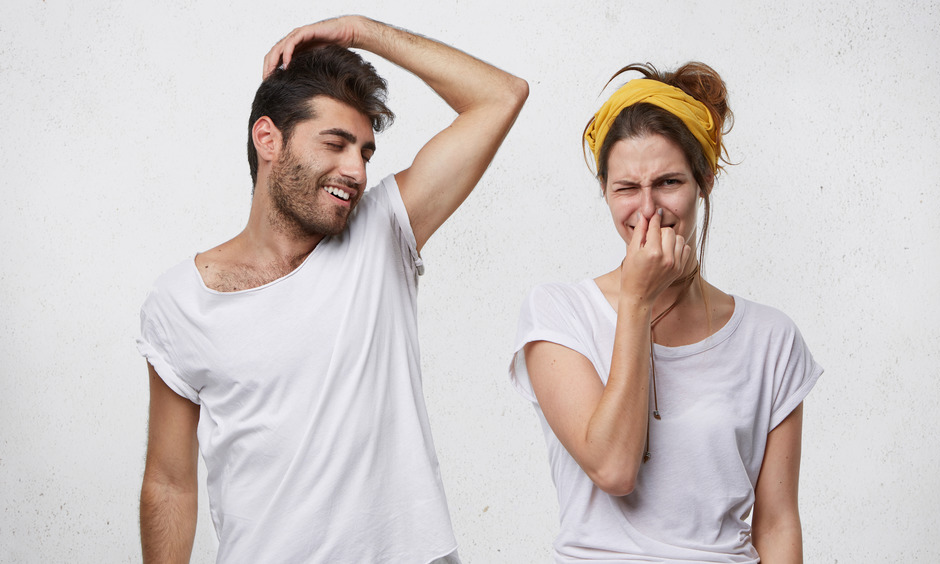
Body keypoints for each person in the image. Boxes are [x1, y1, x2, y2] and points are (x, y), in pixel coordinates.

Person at [137, 15, 527, 564]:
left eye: (365, 152)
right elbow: (170, 482)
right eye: (336, 143)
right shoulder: (180, 301)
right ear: (268, 138)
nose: (357, 170)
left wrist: (359, 31)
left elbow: (501, 96)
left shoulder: (384, 229)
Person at [509, 62, 821, 563]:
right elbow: (613, 468)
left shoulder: (771, 338)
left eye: (669, 182)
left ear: (705, 182)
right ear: (606, 193)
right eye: (626, 188)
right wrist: (637, 301)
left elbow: (779, 522)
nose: (648, 210)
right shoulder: (559, 314)